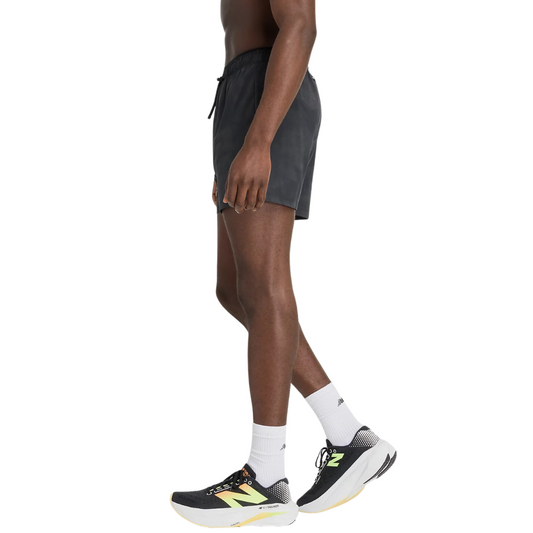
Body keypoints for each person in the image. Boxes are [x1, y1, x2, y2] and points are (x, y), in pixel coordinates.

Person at [171, 0, 396, 527]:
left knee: (264, 284)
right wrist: (234, 146)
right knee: (234, 290)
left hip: (266, 92)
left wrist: (258, 141)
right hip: (242, 93)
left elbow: (300, 24)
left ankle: (265, 477)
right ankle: (348, 435)